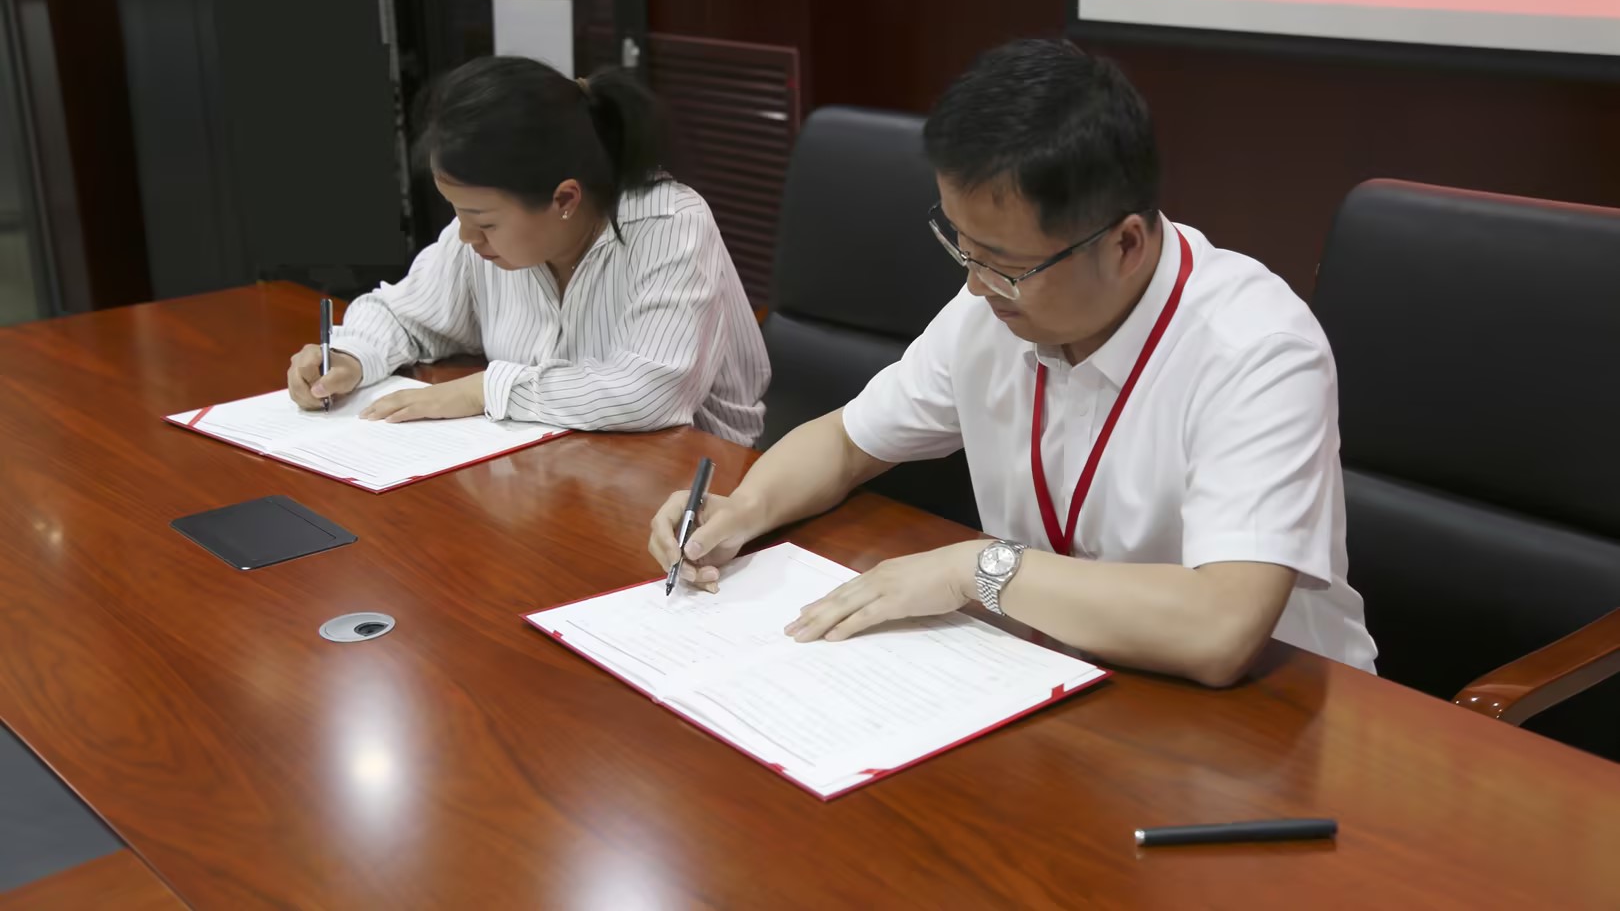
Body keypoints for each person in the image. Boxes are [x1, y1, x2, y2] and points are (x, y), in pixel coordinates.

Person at [648, 39, 1376, 686]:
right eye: (960, 245)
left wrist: (977, 568)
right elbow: (845, 442)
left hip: (1272, 720)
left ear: (1125, 244)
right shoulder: (993, 307)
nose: (974, 285)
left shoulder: (1255, 349)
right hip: (1054, 670)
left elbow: (1221, 627)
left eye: (1002, 263)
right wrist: (741, 512)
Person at [286, 56, 769, 445]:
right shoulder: (484, 235)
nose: (466, 236)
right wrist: (351, 356)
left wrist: (485, 389)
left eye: (484, 221)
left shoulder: (668, 224)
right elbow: (404, 313)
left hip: (692, 484)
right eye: (458, 212)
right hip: (551, 464)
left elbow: (648, 393)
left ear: (564, 199)